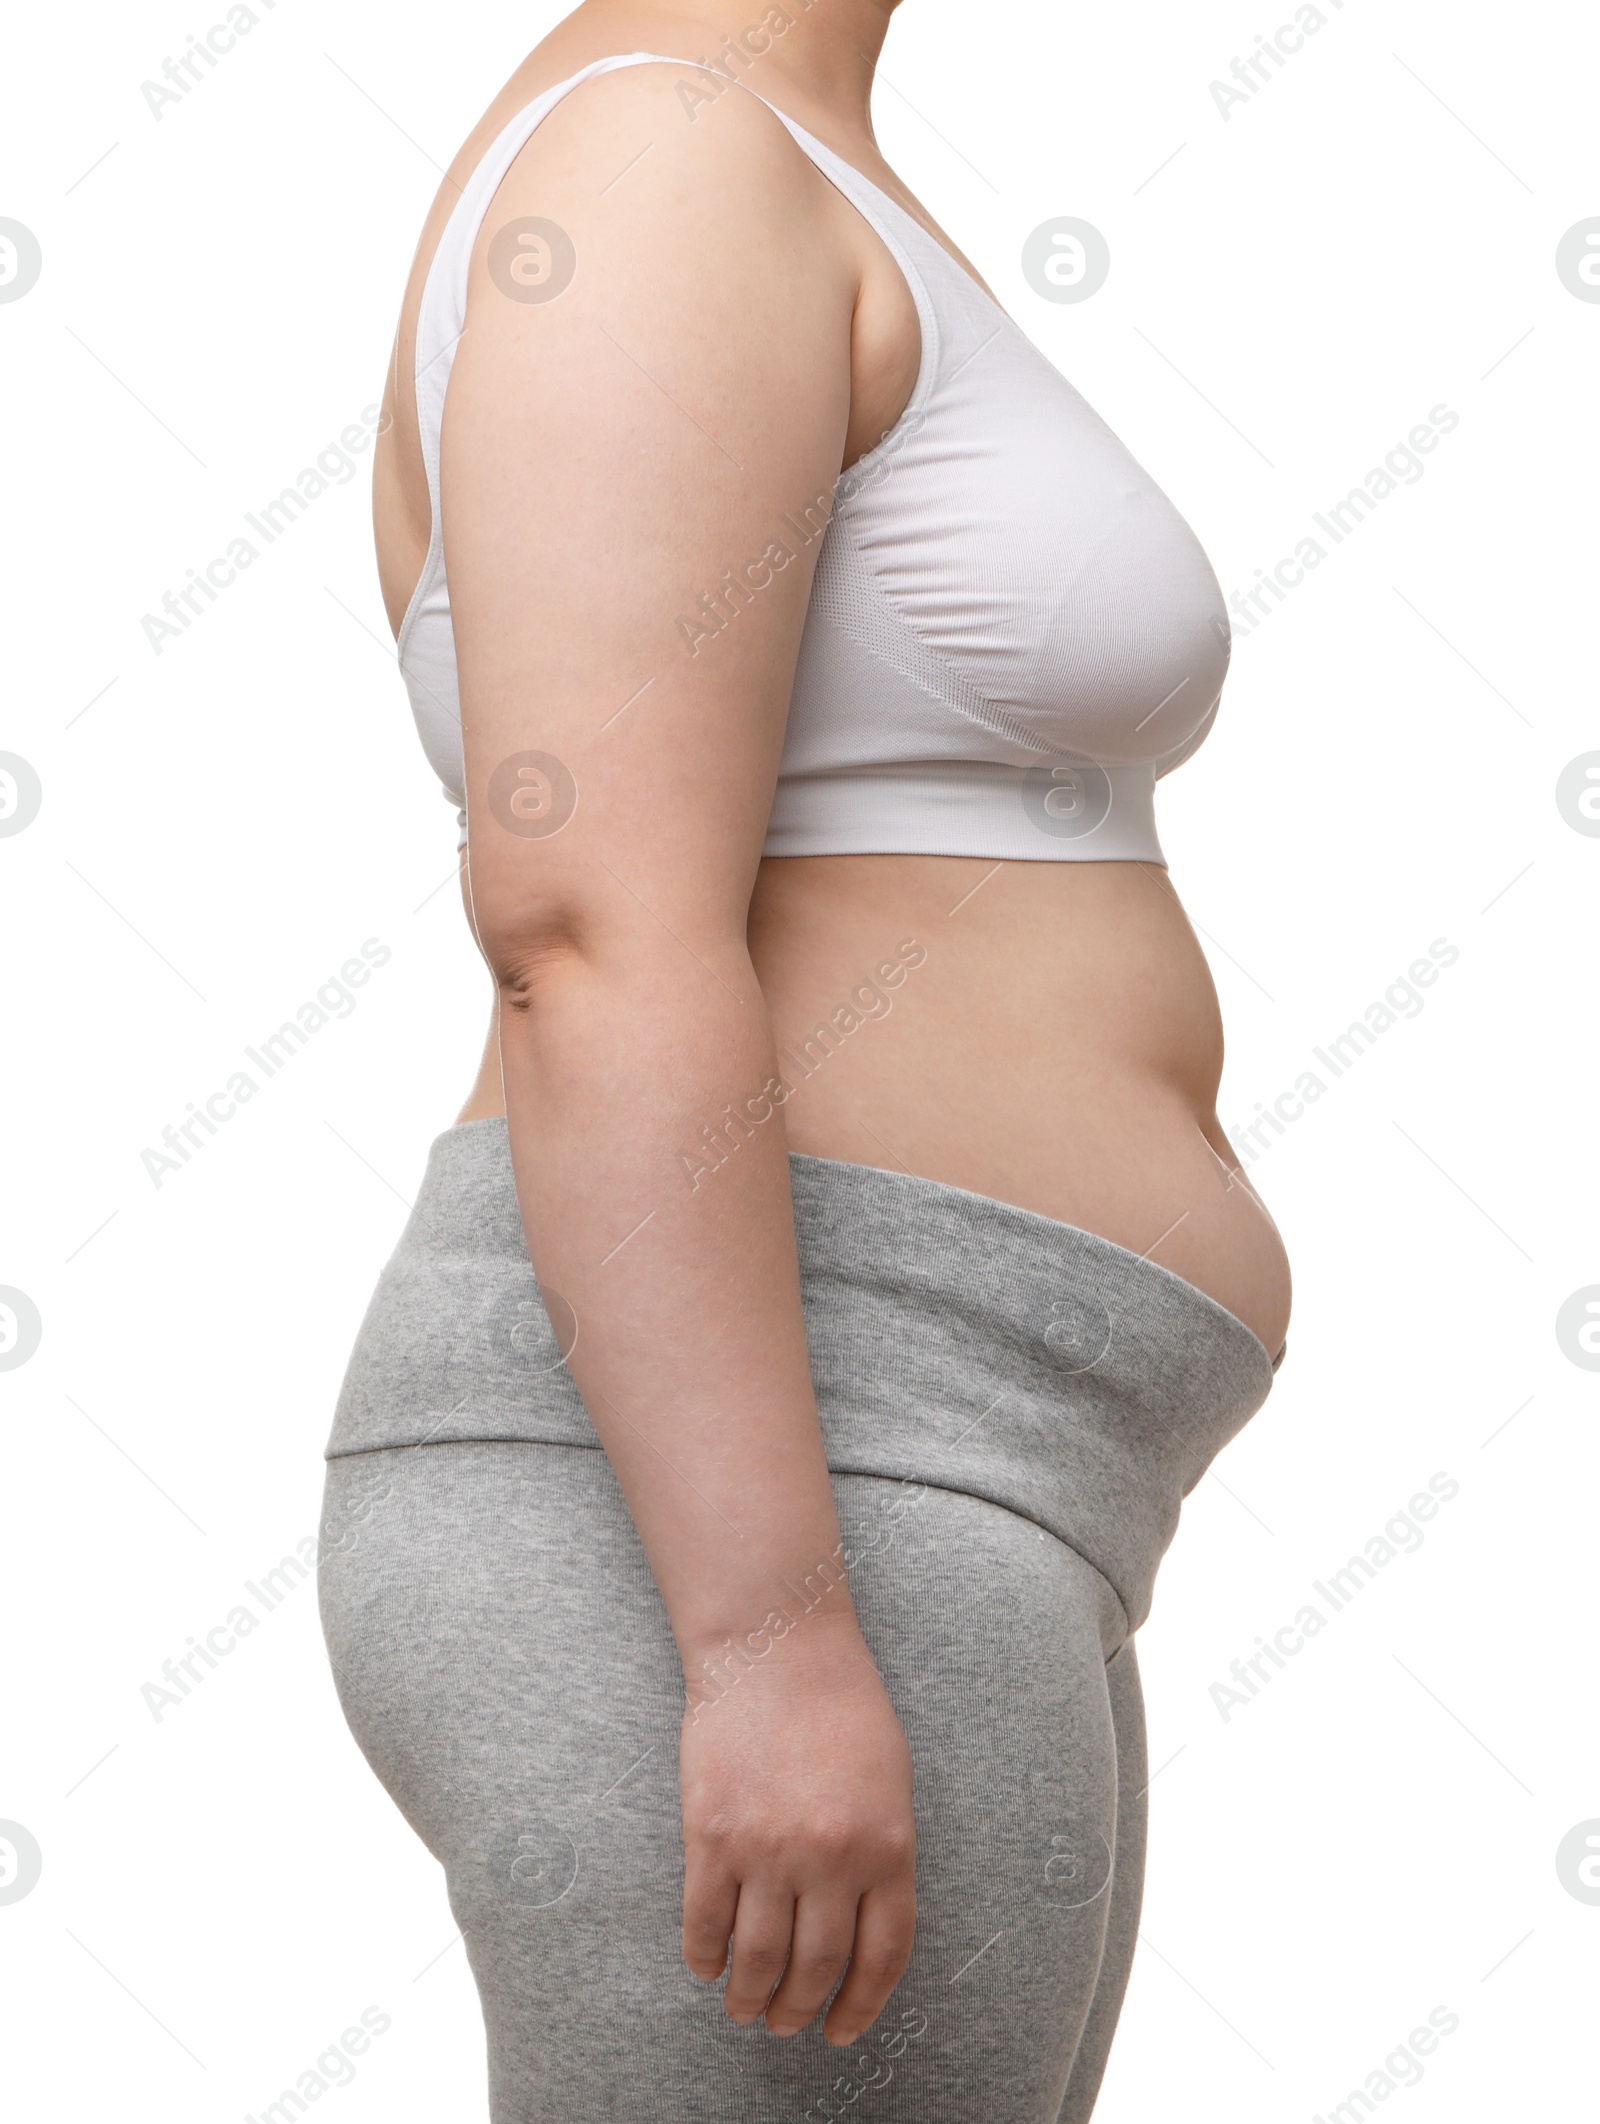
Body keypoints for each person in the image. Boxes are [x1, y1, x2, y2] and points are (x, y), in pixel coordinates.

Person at [317, 4, 1293, 2117]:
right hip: (759, 1497)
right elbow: (582, 931)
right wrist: (760, 1642)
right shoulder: (652, 162)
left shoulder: (767, 148)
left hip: (955, 1471)